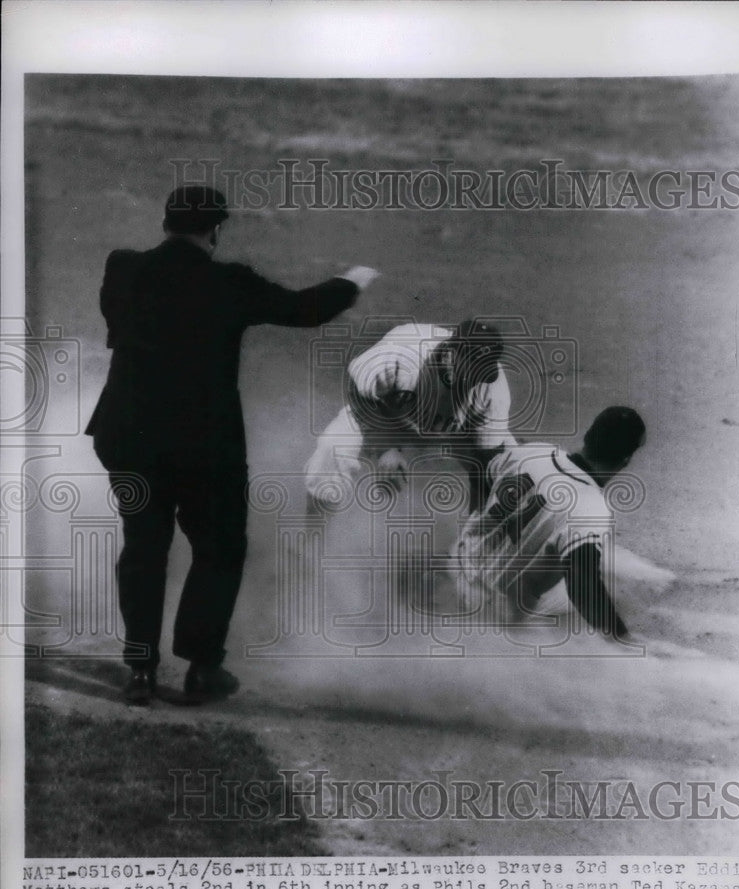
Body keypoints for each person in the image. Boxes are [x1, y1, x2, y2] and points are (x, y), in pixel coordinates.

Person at [86, 184, 378, 705]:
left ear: (166, 223)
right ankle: (202, 667)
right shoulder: (231, 282)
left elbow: (118, 323)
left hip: (129, 434)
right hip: (204, 444)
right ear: (216, 231)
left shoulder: (123, 268)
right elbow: (304, 310)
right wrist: (352, 280)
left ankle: (141, 672)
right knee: (219, 549)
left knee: (144, 548)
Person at [454, 406, 647, 640]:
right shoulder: (592, 508)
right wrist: (623, 640)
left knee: (569, 544)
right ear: (626, 460)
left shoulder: (534, 451)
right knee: (604, 581)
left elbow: (480, 471)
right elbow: (583, 589)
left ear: (588, 435)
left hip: (458, 566)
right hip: (493, 613)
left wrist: (484, 520)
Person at [304, 318, 515, 516]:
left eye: (481, 373)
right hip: (386, 414)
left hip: (454, 432)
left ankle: (476, 542)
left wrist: (478, 525)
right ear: (450, 354)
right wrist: (386, 447)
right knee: (332, 449)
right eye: (470, 370)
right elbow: (358, 390)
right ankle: (313, 537)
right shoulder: (404, 352)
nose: (475, 380)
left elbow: (486, 463)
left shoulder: (492, 389)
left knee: (511, 472)